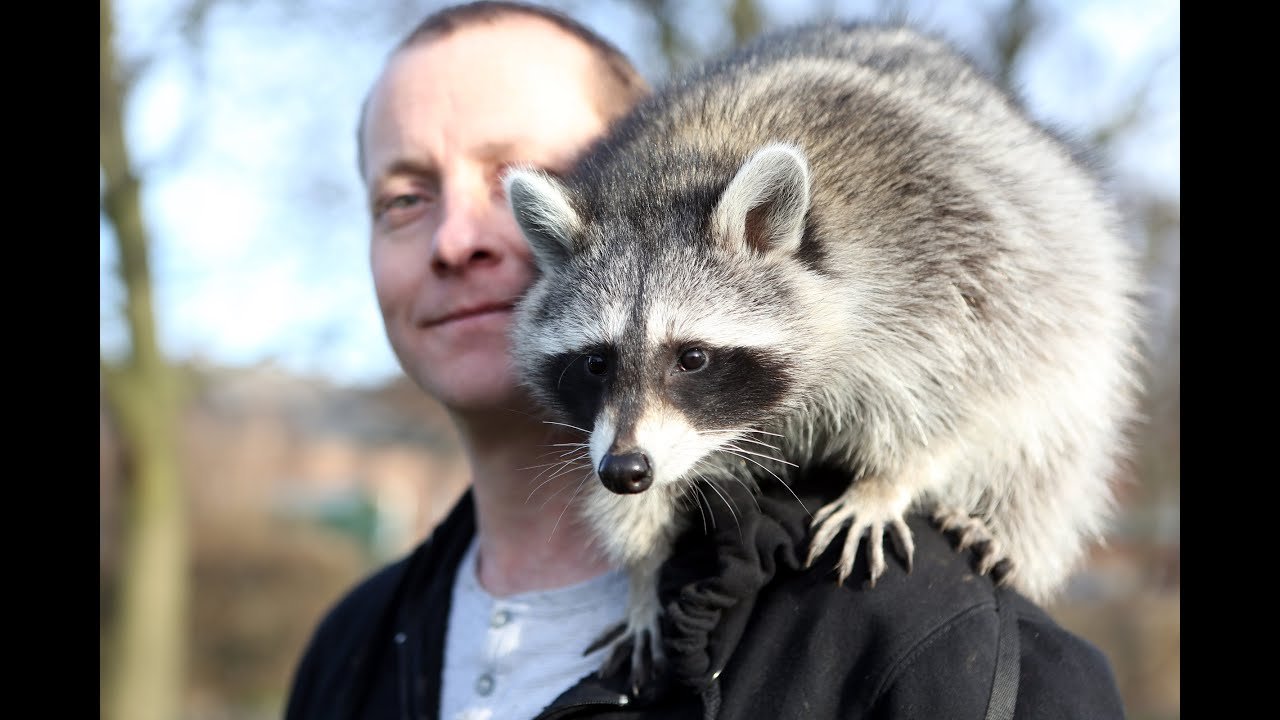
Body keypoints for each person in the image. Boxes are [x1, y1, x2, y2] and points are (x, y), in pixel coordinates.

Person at [284, 3, 1128, 719]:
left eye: (511, 172)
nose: (458, 239)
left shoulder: (927, 642)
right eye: (403, 197)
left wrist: (893, 481)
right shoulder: (350, 649)